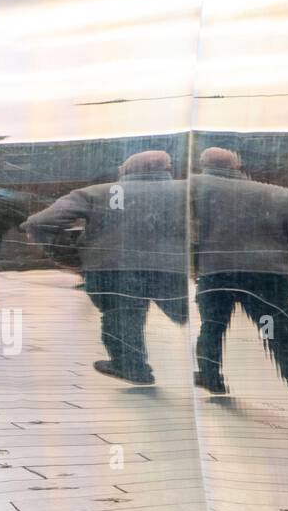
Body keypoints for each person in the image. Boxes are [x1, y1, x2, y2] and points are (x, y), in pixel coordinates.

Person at [22, 150, 189, 385]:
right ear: (167, 169)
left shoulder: (97, 193)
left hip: (109, 267)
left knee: (121, 316)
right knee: (185, 314)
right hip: (169, 267)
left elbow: (38, 222)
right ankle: (206, 365)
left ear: (126, 170)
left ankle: (131, 367)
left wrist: (69, 255)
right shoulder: (187, 191)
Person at [191, 147, 288, 406]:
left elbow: (182, 230)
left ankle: (209, 374)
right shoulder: (281, 196)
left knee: (212, 326)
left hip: (216, 271)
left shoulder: (192, 189)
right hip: (267, 275)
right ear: (237, 166)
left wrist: (193, 262)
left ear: (203, 165)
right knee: (279, 329)